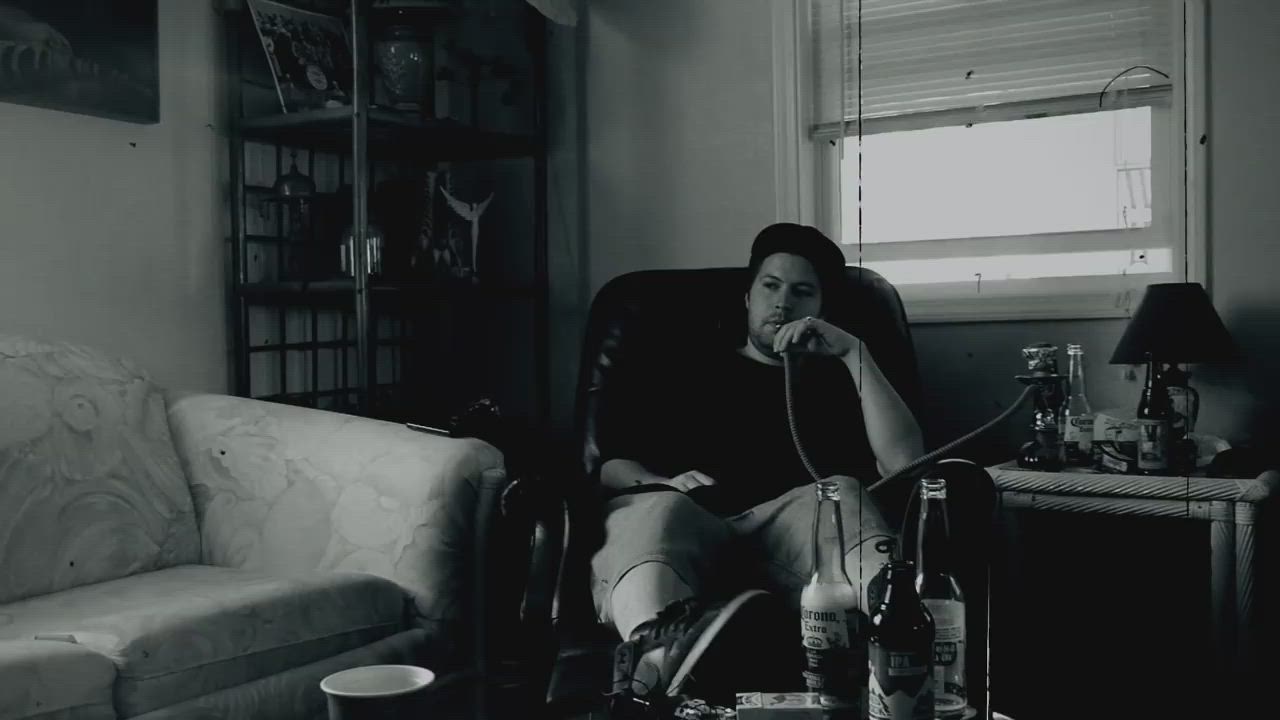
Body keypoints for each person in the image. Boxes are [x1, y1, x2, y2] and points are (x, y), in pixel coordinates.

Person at [592, 222, 925, 705]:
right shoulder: (685, 366)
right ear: (748, 297)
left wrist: (855, 354)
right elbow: (610, 467)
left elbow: (905, 464)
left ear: (821, 309)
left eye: (802, 292)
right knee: (654, 510)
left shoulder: (843, 377)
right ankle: (656, 659)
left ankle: (897, 636)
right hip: (693, 523)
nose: (782, 303)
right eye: (771, 286)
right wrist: (664, 483)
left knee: (841, 495)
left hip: (795, 540)